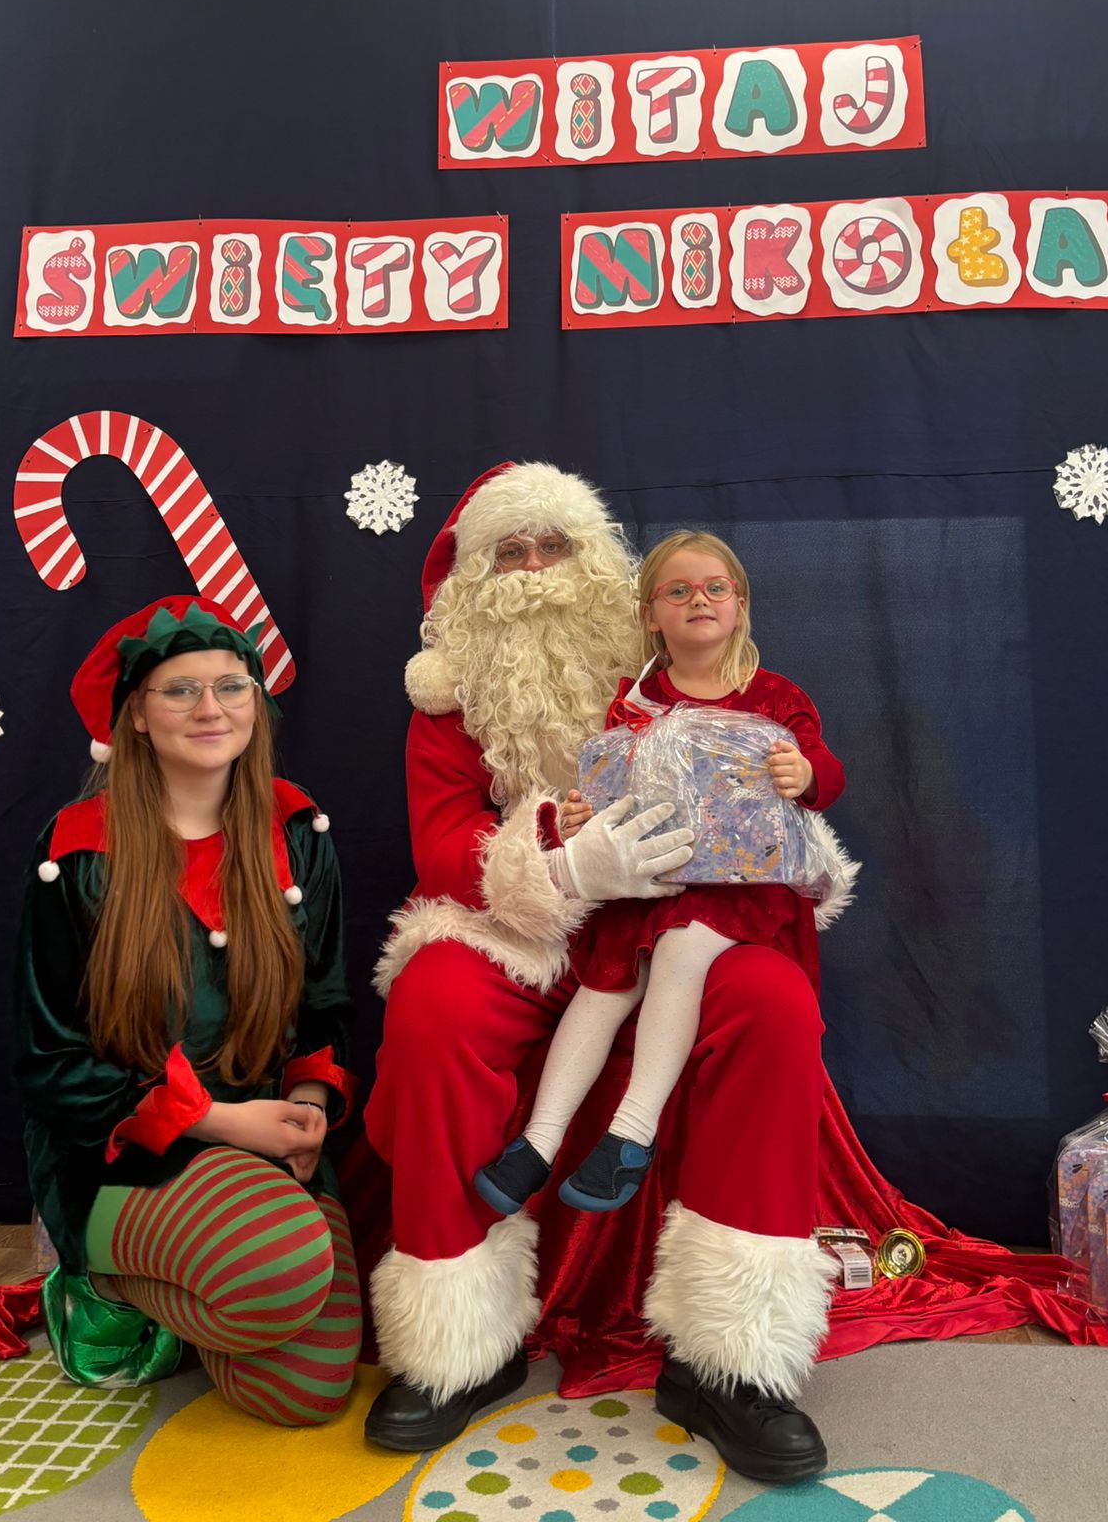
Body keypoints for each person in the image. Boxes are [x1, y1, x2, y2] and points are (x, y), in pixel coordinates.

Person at [361, 465, 857, 1482]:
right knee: (432, 1002)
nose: (535, 570)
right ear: (470, 581)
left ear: (600, 565)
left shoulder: (662, 658)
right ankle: (459, 1348)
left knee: (771, 1001)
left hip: (669, 919)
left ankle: (727, 1361)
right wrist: (564, 862)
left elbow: (766, 774)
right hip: (520, 927)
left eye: (556, 546)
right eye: (510, 553)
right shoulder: (448, 698)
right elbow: (441, 843)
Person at [13, 595, 361, 1426]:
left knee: (308, 1394)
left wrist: (307, 1104)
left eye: (231, 686)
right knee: (280, 1273)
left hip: (267, 1135)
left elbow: (325, 1002)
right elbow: (51, 1065)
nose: (211, 708)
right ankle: (108, 1282)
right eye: (180, 690)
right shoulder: (77, 851)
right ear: (136, 714)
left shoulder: (297, 829)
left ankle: (215, 1287)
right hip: (131, 1151)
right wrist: (220, 1124)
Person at [475, 530, 843, 1218]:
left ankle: (630, 1136)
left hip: (741, 891)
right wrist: (585, 817)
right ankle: (538, 1142)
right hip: (654, 880)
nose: (698, 599)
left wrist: (805, 772)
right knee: (604, 980)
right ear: (651, 614)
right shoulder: (635, 701)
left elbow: (826, 774)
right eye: (678, 591)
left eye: (714, 588)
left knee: (679, 950)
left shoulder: (773, 696)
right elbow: (616, 783)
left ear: (739, 604)